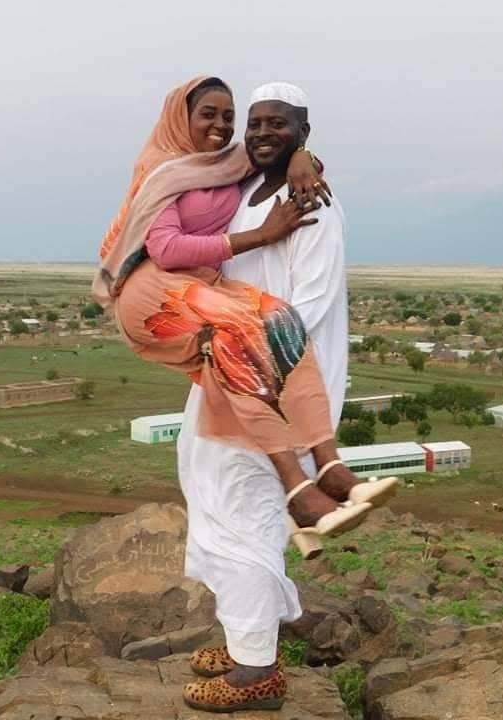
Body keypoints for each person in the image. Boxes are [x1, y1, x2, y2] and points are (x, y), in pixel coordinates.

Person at [92, 77, 396, 557]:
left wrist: (305, 156)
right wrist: (262, 236)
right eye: (208, 114)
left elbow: (277, 153)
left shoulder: (229, 166)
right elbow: (165, 248)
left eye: (229, 117)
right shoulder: (161, 168)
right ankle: (300, 489)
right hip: (152, 289)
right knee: (249, 332)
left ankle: (327, 470)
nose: (222, 126)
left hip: (203, 291)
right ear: (180, 118)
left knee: (274, 321)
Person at [176, 82, 355, 712]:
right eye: (254, 123)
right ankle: (245, 636)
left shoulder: (314, 205)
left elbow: (307, 308)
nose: (260, 133)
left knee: (248, 505)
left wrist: (237, 350)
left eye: (278, 125)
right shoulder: (250, 187)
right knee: (210, 489)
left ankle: (258, 672)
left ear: (303, 129)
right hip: (228, 367)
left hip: (277, 379)